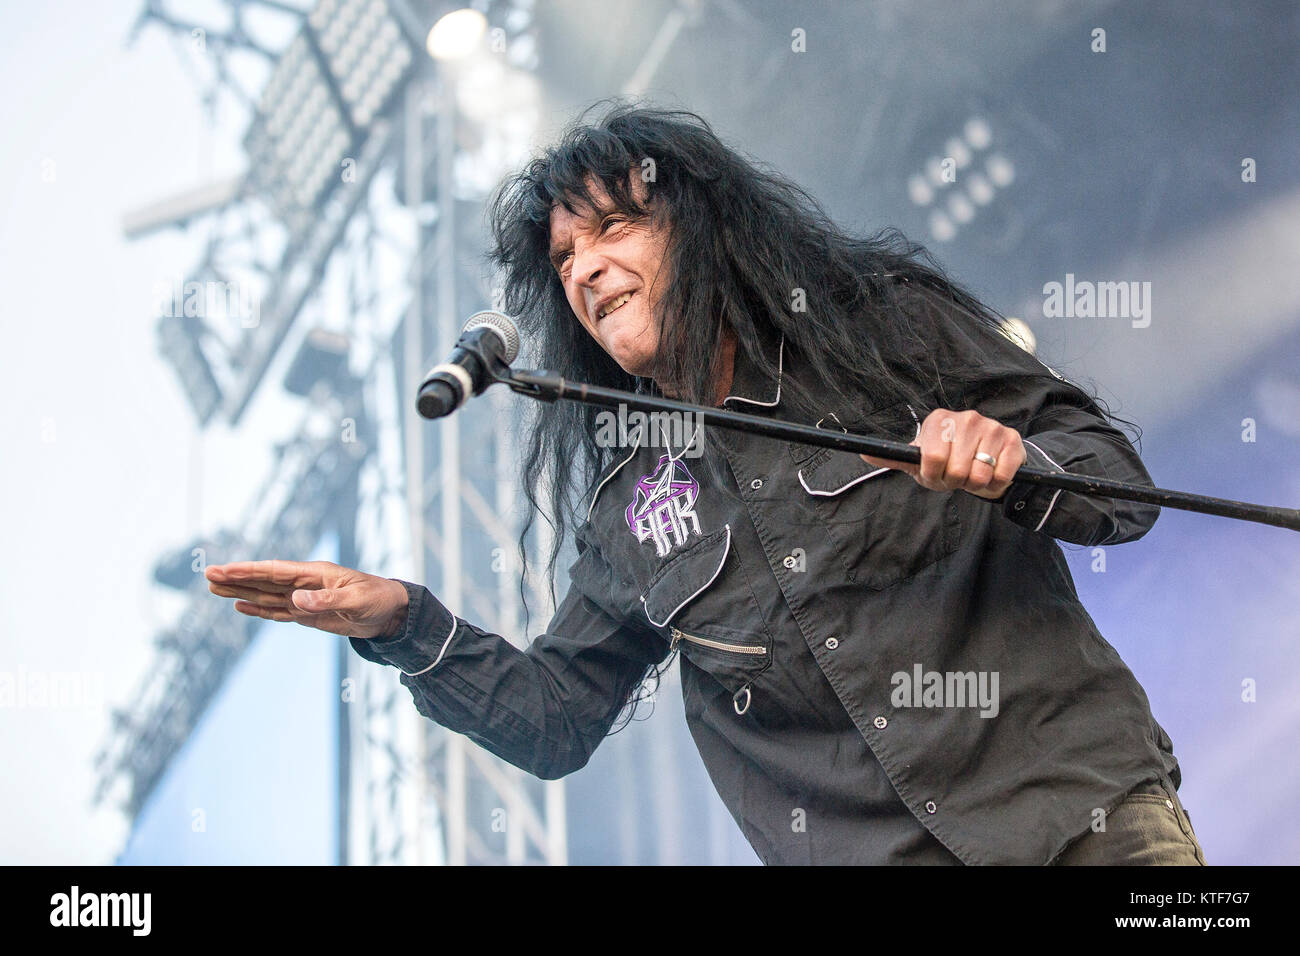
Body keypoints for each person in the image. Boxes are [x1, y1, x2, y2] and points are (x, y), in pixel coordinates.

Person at [206, 103, 1207, 866]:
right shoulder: (627, 509)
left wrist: (1016, 464)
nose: (584, 270)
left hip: (1082, 817)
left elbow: (1116, 484)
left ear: (699, 226)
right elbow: (559, 716)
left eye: (611, 231)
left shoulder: (881, 329)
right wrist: (403, 625)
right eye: (562, 258)